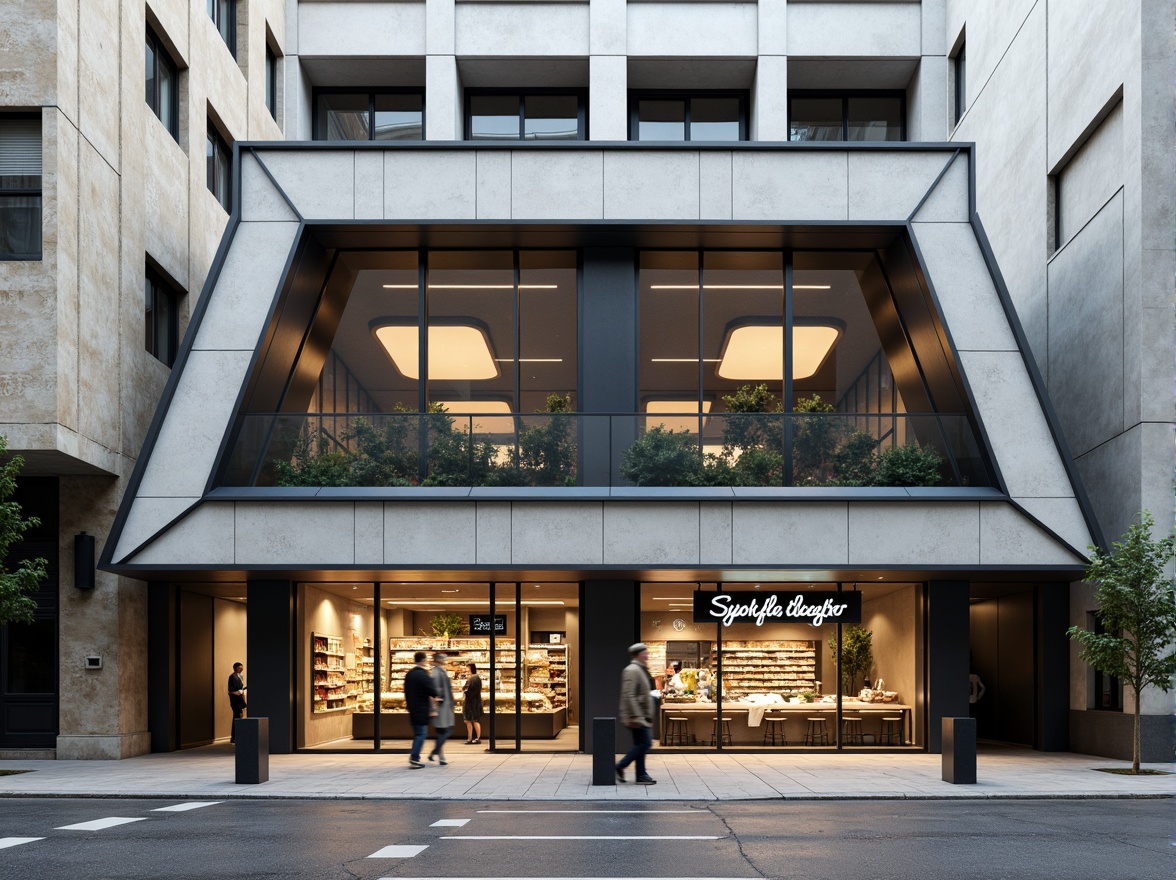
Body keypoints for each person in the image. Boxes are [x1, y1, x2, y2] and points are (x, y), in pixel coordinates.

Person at [615, 642, 656, 785]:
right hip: (637, 716)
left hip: (641, 715)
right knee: (645, 743)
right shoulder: (632, 670)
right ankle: (620, 766)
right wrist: (636, 716)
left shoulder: (640, 669)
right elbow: (629, 695)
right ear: (639, 654)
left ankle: (641, 774)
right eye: (645, 653)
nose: (647, 655)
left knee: (640, 744)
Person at [403, 651, 438, 768]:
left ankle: (414, 756)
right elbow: (432, 690)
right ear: (423, 661)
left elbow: (406, 692)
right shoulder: (423, 674)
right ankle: (414, 758)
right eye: (426, 660)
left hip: (412, 709)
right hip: (421, 709)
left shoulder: (409, 674)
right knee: (421, 734)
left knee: (417, 733)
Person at [428, 652, 455, 765]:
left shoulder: (439, 670)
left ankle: (440, 756)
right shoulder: (436, 672)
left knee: (442, 731)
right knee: (445, 730)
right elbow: (436, 689)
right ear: (439, 659)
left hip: (444, 705)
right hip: (441, 706)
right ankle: (436, 752)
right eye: (443, 658)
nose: (445, 659)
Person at [462, 661, 483, 744]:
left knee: (471, 720)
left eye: (467, 668)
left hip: (471, 702)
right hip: (474, 701)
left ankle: (473, 738)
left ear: (470, 668)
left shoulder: (473, 678)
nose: (467, 670)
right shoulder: (476, 677)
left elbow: (467, 689)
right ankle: (473, 738)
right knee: (473, 720)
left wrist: (464, 690)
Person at [227, 662, 247, 744]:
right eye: (240, 668)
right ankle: (234, 736)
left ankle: (235, 736)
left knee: (238, 717)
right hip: (236, 701)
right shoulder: (233, 677)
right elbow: (232, 691)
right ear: (235, 668)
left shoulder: (238, 676)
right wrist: (239, 691)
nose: (241, 669)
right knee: (237, 717)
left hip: (238, 700)